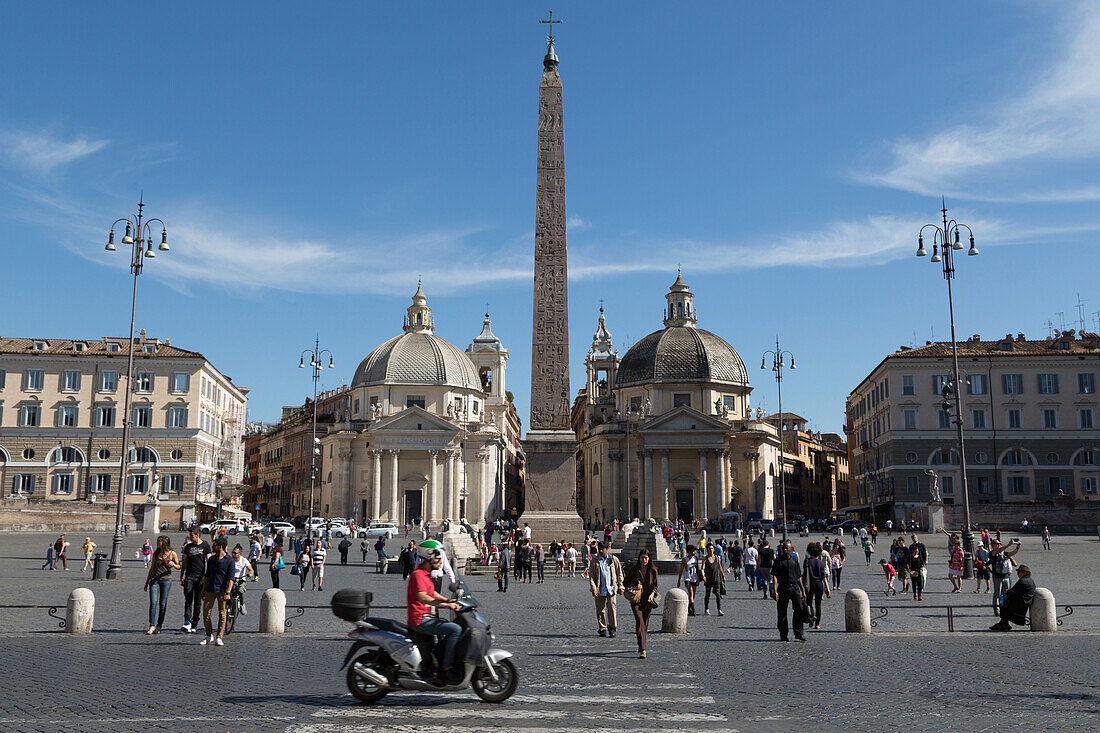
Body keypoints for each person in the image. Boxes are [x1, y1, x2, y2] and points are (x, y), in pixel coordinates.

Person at [406, 543, 462, 685]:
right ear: (427, 560)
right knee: (455, 629)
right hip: (419, 619)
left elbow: (433, 593)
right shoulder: (418, 575)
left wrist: (448, 600)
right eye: (438, 559)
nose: (441, 562)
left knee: (446, 630)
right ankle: (447, 668)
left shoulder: (425, 575)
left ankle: (439, 661)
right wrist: (447, 605)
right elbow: (424, 597)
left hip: (425, 617)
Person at [200, 537, 234, 646]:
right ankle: (209, 635)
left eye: (214, 545)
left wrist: (228, 592)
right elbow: (207, 575)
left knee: (222, 613)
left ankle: (219, 636)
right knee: (206, 613)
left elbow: (231, 578)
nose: (212, 547)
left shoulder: (229, 560)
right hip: (210, 589)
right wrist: (203, 590)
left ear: (220, 547)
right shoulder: (212, 559)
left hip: (222, 590)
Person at [624, 548, 658, 658]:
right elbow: (625, 582)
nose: (644, 560)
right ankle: (643, 649)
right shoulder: (634, 569)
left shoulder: (653, 570)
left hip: (648, 600)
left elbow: (655, 586)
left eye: (646, 558)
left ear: (649, 559)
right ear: (639, 558)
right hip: (636, 600)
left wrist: (652, 594)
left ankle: (641, 644)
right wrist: (634, 586)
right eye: (642, 557)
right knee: (640, 621)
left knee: (645, 623)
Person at [772, 540, 807, 642]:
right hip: (782, 588)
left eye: (786, 547)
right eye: (783, 548)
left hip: (794, 587)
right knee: (782, 612)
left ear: (791, 549)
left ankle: (798, 633)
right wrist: (775, 591)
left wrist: (803, 590)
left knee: (799, 609)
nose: (784, 549)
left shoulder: (794, 561)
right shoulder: (778, 561)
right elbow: (774, 576)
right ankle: (783, 634)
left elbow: (799, 577)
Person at [143, 536, 180, 635]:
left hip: (166, 581)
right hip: (154, 580)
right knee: (153, 603)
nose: (157, 544)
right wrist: (147, 582)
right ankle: (151, 625)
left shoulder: (172, 554)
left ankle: (159, 625)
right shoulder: (156, 553)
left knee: (162, 604)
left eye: (159, 542)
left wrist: (173, 564)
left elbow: (179, 566)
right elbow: (151, 568)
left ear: (164, 543)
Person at [588, 542, 624, 637]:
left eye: (602, 549)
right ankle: (602, 628)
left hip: (611, 588)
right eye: (599, 548)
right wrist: (593, 588)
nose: (600, 550)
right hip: (599, 588)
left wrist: (621, 586)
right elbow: (591, 576)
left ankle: (612, 628)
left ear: (606, 549)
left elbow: (619, 574)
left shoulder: (613, 560)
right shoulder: (594, 561)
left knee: (612, 608)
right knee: (600, 609)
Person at [179, 528, 211, 634]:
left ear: (197, 535)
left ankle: (195, 623)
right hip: (189, 576)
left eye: (191, 535)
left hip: (200, 578)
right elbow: (184, 562)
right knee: (188, 600)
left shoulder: (205, 546)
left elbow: (209, 561)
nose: (190, 537)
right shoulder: (188, 547)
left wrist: (209, 576)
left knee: (197, 602)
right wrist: (181, 575)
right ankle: (187, 622)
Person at [990, 565, 1036, 631]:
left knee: (1003, 604)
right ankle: (1003, 624)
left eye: (1019, 572)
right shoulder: (1030, 580)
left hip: (1020, 603)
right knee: (1005, 603)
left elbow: (1013, 591)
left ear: (1024, 573)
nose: (1017, 574)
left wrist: (1007, 592)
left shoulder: (1022, 581)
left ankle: (1004, 624)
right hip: (1025, 601)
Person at [989, 538, 1021, 614]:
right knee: (997, 594)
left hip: (1006, 576)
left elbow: (1011, 553)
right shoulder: (991, 553)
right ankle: (996, 610)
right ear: (993, 545)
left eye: (999, 543)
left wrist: (1017, 547)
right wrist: (1009, 544)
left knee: (1004, 594)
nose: (999, 545)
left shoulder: (1003, 553)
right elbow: (997, 552)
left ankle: (1003, 608)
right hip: (997, 577)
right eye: (997, 544)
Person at [802, 542, 830, 628]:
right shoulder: (820, 562)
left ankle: (812, 616)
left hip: (810, 583)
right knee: (818, 604)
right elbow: (823, 577)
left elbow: (805, 574)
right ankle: (817, 623)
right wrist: (827, 588)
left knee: (809, 602)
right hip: (819, 584)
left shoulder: (807, 561)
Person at [229, 543, 254, 614]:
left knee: (240, 590)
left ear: (240, 553)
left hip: (241, 579)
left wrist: (250, 573)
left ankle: (242, 604)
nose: (233, 554)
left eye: (235, 553)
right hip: (231, 579)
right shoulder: (230, 560)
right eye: (232, 553)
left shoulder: (244, 560)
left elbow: (251, 569)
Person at [701, 543, 725, 616]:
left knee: (718, 594)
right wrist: (703, 576)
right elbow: (702, 568)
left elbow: (720, 567)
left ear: (714, 549)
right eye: (709, 549)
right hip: (708, 579)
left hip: (716, 578)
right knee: (707, 594)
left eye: (712, 548)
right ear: (707, 550)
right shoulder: (705, 558)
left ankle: (719, 610)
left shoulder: (717, 558)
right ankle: (706, 609)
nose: (711, 550)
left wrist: (723, 576)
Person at [677, 545, 701, 616]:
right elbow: (681, 570)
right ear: (689, 552)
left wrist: (698, 579)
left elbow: (697, 569)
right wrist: (678, 580)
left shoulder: (695, 558)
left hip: (694, 578)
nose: (695, 552)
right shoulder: (684, 559)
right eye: (693, 551)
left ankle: (688, 607)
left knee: (693, 594)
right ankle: (693, 610)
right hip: (687, 578)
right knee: (690, 592)